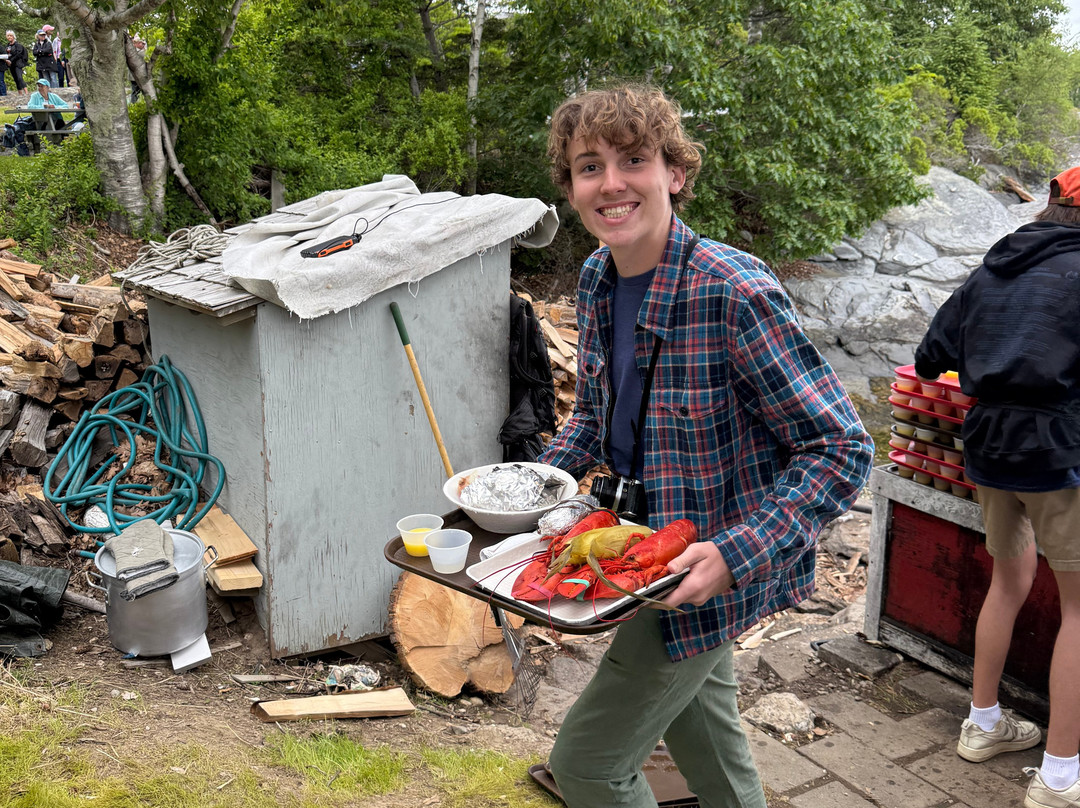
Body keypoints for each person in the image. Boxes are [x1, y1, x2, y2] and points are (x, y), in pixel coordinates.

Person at [537, 83, 874, 808]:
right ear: (571, 187)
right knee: (705, 738)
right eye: (589, 166)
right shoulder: (598, 278)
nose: (612, 182)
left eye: (634, 159)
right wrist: (526, 487)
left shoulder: (732, 291)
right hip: (645, 552)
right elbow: (594, 419)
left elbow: (841, 449)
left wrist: (736, 554)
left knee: (589, 765)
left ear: (675, 173)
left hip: (712, 569)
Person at [915, 167, 1080, 808]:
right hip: (1061, 454)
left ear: (1052, 202)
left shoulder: (994, 267)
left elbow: (932, 358)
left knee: (1008, 583)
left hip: (987, 449)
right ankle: (1061, 776)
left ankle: (983, 725)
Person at [5, 31, 29, 98]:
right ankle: (20, 94)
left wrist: (11, 60)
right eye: (8, 36)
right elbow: (6, 54)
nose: (9, 37)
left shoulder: (18, 45)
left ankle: (26, 92)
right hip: (11, 65)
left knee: (19, 77)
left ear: (13, 36)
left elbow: (19, 54)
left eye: (10, 35)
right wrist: (7, 61)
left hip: (18, 63)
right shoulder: (7, 46)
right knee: (15, 79)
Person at [128, 35, 147, 103]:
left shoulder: (131, 51)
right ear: (138, 43)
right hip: (137, 76)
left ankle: (134, 105)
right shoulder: (139, 52)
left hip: (133, 76)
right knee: (140, 92)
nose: (144, 45)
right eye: (142, 43)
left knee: (135, 92)